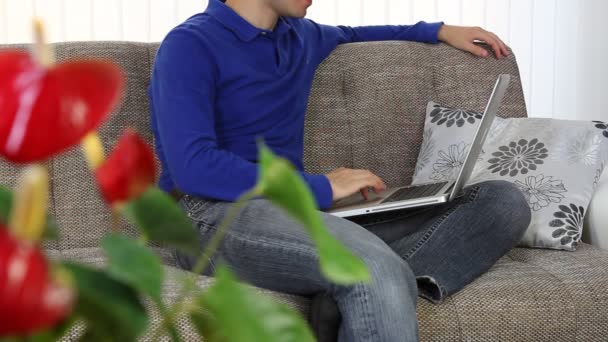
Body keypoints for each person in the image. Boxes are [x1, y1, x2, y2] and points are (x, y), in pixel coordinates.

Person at [148, 0, 531, 341]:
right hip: (210, 217)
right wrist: (320, 188)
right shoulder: (189, 45)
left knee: (503, 202)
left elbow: (355, 33)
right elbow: (193, 167)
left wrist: (439, 30)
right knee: (369, 267)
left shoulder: (301, 36)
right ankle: (368, 279)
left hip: (295, 215)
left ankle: (345, 295)